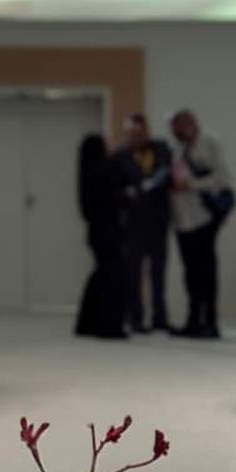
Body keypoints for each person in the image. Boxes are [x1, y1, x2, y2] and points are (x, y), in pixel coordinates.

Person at [168, 108, 233, 339]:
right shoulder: (178, 150)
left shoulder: (209, 143)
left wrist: (192, 185)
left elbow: (222, 177)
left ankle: (210, 322)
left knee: (206, 272)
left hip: (203, 218)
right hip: (182, 220)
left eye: (179, 128)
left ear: (190, 124)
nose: (176, 133)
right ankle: (193, 320)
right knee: (190, 274)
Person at [116, 114, 173, 332]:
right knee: (133, 272)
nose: (135, 138)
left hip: (158, 220)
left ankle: (160, 318)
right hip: (133, 223)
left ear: (146, 132)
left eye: (139, 133)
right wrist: (125, 193)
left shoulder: (160, 148)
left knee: (158, 272)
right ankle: (136, 318)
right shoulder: (121, 155)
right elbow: (116, 185)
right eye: (131, 134)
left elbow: (167, 173)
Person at [74, 134, 129, 340]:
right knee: (112, 277)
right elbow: (116, 182)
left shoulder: (88, 171)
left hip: (97, 233)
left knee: (101, 275)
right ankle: (109, 325)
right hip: (108, 232)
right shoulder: (103, 170)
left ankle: (87, 322)